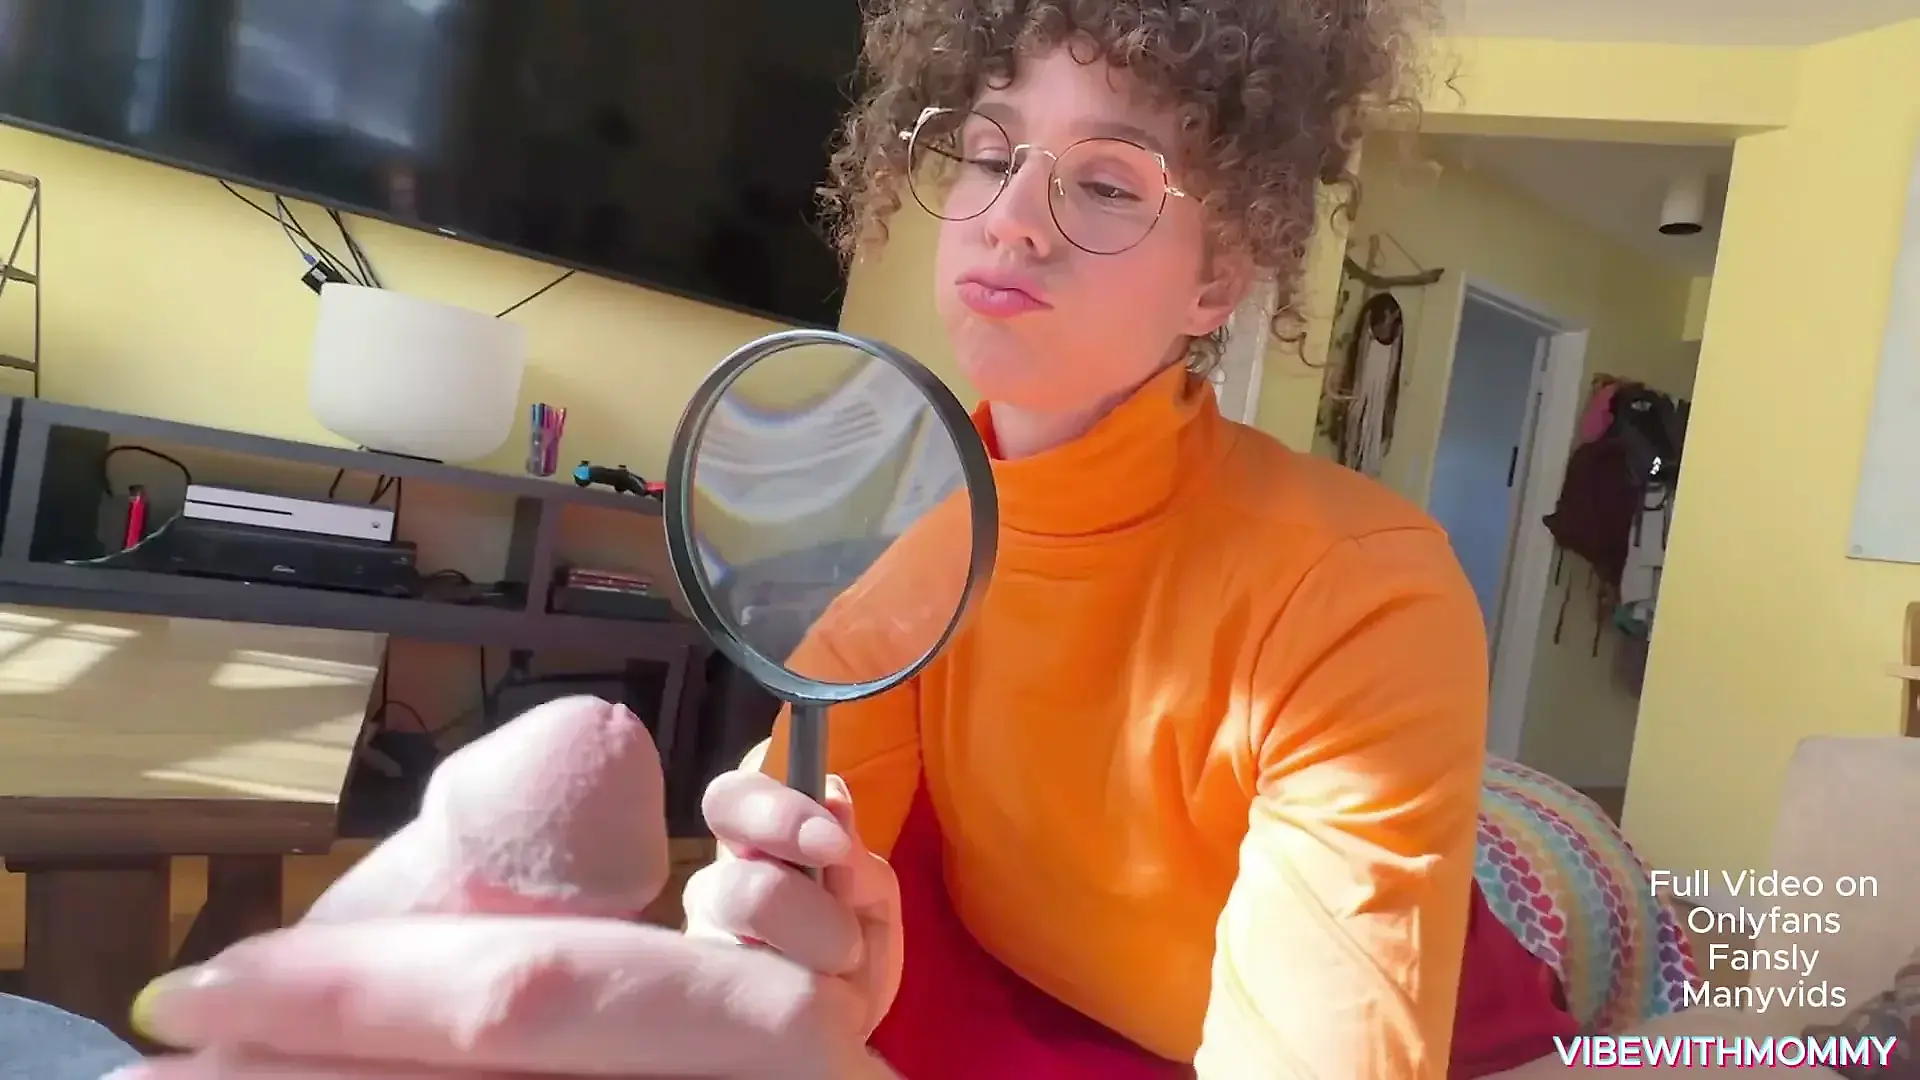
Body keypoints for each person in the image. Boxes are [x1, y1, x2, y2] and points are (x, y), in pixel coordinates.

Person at [104, 0, 1584, 1076]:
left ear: (1222, 278)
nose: (1011, 220)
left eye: (1107, 183)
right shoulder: (922, 555)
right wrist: (753, 910)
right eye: (989, 154)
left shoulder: (1358, 590)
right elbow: (774, 891)